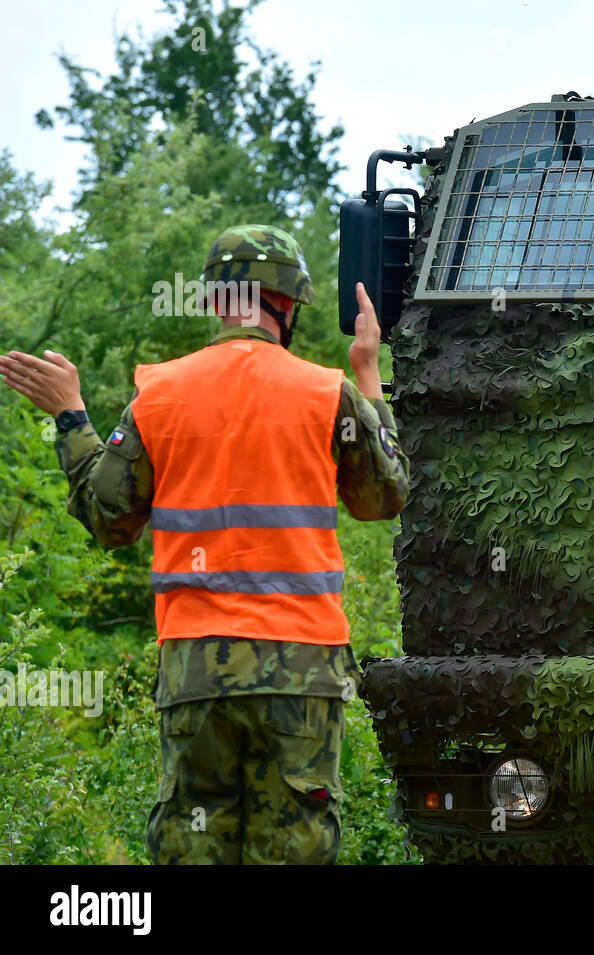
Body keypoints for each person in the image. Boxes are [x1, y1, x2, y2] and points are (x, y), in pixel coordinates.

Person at [0, 224, 410, 864]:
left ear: (214, 302)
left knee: (192, 848)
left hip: (195, 674)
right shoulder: (325, 393)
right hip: (300, 673)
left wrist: (72, 416)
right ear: (288, 303)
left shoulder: (160, 393)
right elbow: (383, 498)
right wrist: (369, 379)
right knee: (294, 849)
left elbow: (109, 516)